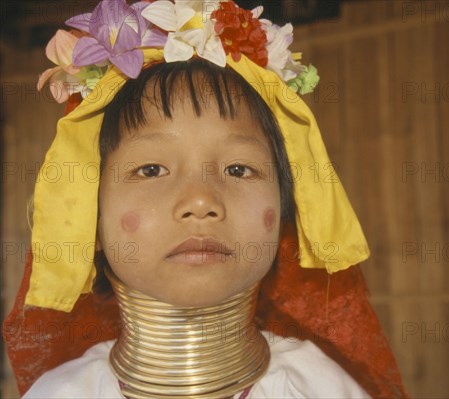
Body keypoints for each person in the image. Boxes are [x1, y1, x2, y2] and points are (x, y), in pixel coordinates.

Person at [3, 1, 408, 398]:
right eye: (150, 170)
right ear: (87, 216)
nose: (200, 201)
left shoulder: (318, 389)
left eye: (238, 170)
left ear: (287, 209)